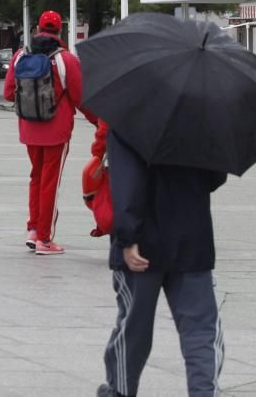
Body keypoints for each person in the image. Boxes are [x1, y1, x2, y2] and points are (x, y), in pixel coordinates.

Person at [97, 132, 227, 397]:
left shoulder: (127, 119)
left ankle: (120, 391)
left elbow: (126, 181)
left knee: (134, 326)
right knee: (201, 329)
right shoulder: (205, 119)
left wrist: (127, 237)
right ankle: (204, 392)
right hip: (193, 236)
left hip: (144, 242)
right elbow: (216, 177)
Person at [3, 10, 93, 256]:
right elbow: (81, 98)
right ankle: (44, 238)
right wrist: (99, 122)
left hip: (29, 128)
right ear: (59, 30)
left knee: (36, 176)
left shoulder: (21, 55)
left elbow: (9, 92)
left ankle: (33, 229)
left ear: (38, 29)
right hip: (56, 128)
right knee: (50, 181)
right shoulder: (66, 60)